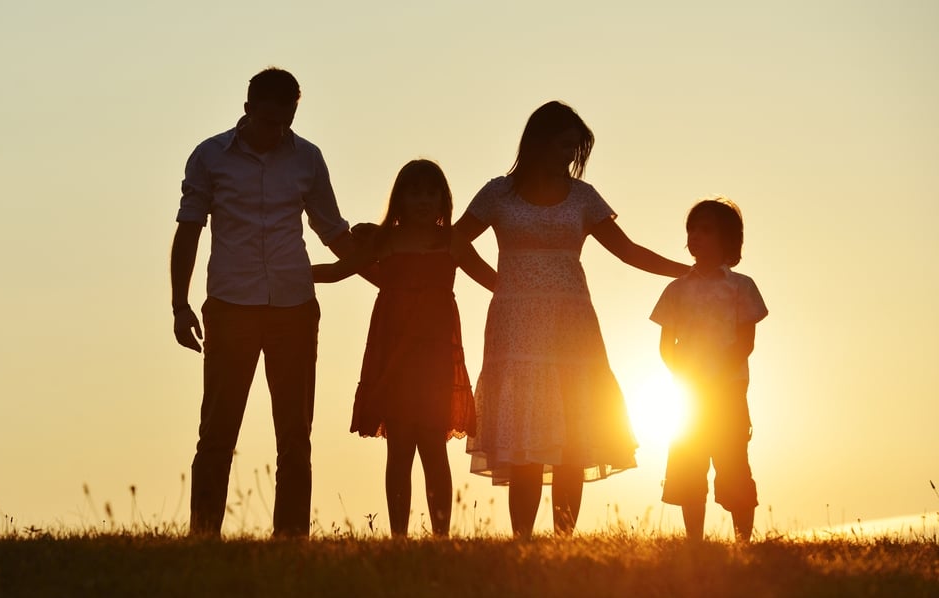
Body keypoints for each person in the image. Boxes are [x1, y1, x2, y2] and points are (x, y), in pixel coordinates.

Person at [451, 101, 690, 538]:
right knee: (523, 441)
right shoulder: (498, 193)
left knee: (571, 440)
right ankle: (522, 541)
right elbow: (455, 242)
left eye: (575, 148)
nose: (570, 155)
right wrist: (498, 283)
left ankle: (564, 541)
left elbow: (628, 250)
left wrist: (687, 271)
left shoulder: (584, 197)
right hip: (515, 324)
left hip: (571, 323)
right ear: (539, 142)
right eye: (564, 145)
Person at [170, 67, 359, 538]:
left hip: (294, 308)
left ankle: (291, 539)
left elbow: (332, 229)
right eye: (270, 120)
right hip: (231, 305)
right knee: (217, 430)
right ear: (248, 107)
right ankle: (203, 535)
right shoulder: (210, 156)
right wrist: (179, 304)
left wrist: (388, 270)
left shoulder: (308, 159)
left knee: (295, 435)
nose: (278, 131)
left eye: (286, 121)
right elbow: (189, 228)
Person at [313, 160, 494, 536]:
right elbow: (336, 271)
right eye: (414, 193)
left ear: (443, 199)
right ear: (400, 199)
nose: (423, 201)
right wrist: (290, 271)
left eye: (431, 193)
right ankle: (398, 537)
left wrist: (540, 288)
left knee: (432, 445)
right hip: (393, 356)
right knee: (398, 449)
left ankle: (441, 537)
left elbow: (495, 281)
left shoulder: (452, 243)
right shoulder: (384, 242)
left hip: (435, 358)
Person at [650, 198, 768, 542]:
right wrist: (683, 373)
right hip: (688, 392)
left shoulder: (741, 286)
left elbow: (745, 341)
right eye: (692, 229)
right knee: (689, 463)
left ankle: (744, 539)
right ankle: (694, 541)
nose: (695, 235)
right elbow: (665, 344)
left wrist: (716, 372)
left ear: (728, 239)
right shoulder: (676, 289)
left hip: (728, 391)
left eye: (706, 229)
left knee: (733, 462)